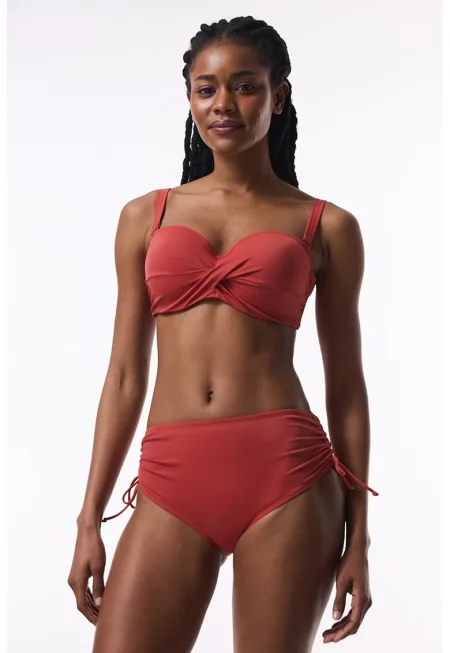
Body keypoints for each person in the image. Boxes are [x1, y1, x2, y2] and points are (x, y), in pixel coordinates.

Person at [68, 15, 379, 653]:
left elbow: (346, 386)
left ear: (278, 95)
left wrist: (360, 534)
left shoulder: (327, 226)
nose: (223, 104)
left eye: (244, 86)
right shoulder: (145, 217)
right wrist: (89, 518)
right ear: (189, 99)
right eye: (206, 89)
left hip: (287, 478)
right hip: (171, 476)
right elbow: (124, 377)